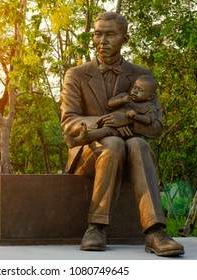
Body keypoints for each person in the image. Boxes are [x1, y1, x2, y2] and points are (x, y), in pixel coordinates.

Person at [60, 11, 184, 256]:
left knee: (139, 144)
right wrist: (110, 123)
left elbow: (156, 127)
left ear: (125, 39)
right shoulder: (76, 74)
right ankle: (96, 227)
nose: (101, 41)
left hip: (130, 152)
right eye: (97, 34)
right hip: (89, 153)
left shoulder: (141, 75)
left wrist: (128, 119)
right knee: (114, 143)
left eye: (109, 34)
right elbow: (69, 121)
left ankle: (154, 232)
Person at [64, 75, 158, 148]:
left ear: (150, 96)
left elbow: (149, 120)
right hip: (110, 122)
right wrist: (122, 100)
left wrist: (134, 117)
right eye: (135, 88)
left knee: (105, 131)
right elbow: (109, 104)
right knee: (103, 130)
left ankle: (78, 140)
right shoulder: (125, 96)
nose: (135, 92)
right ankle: (79, 139)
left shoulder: (148, 107)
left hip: (127, 132)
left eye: (140, 90)